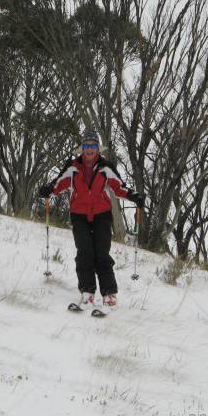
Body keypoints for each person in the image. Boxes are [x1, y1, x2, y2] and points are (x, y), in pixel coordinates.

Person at [38, 130, 145, 310]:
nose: (89, 150)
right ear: (82, 149)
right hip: (79, 215)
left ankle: (109, 294)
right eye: (86, 146)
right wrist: (48, 190)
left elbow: (119, 188)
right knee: (85, 252)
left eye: (93, 146)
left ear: (97, 149)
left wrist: (134, 196)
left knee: (102, 253)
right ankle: (87, 292)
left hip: (102, 215)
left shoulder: (106, 168)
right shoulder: (72, 167)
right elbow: (59, 183)